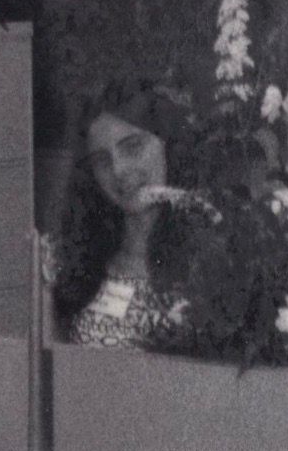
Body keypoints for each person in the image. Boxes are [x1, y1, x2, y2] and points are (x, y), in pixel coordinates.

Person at [51, 86, 200, 348]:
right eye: (102, 160)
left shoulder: (205, 257)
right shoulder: (79, 261)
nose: (118, 170)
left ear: (167, 145)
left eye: (132, 147)